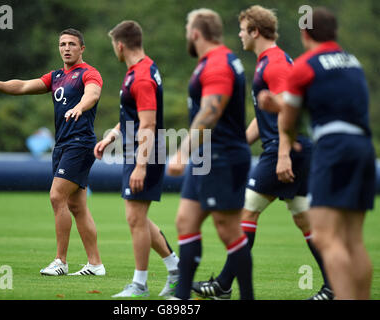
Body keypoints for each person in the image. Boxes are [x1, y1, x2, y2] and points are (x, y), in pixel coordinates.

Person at [192, 5, 332, 300]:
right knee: (304, 220)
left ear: (255, 31)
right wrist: (241, 144)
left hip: (284, 150)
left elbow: (287, 114)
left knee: (246, 212)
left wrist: (282, 154)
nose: (239, 35)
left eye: (243, 29)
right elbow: (265, 116)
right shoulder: (268, 61)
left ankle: (224, 285)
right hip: (294, 149)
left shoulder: (276, 64)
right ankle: (334, 287)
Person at [259, 7, 374, 300]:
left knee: (325, 236)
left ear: (305, 33)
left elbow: (288, 116)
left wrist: (275, 109)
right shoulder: (352, 61)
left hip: (333, 149)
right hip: (363, 149)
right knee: (353, 239)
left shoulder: (306, 64)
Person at [0, 28, 105, 277]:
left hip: (79, 143)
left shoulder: (89, 73)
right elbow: (22, 86)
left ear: (82, 48)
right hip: (63, 145)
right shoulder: (55, 77)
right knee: (77, 206)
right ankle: (95, 265)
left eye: (72, 44)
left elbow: (93, 94)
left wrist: (80, 106)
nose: (66, 48)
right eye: (62, 44)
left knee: (56, 197)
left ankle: (60, 262)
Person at [167, 8, 253, 300]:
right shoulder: (213, 61)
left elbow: (210, 111)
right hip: (208, 155)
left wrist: (182, 152)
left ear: (195, 34)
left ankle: (247, 297)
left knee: (228, 229)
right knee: (185, 221)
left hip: (222, 156)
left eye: (186, 32)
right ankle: (181, 298)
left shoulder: (217, 63)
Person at [94, 20, 179, 298]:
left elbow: (147, 124)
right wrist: (111, 137)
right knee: (138, 218)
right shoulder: (140, 70)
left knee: (134, 218)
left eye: (113, 46)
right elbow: (131, 118)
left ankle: (140, 285)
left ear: (120, 45)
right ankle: (178, 271)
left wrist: (141, 165)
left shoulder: (141, 76)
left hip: (145, 153)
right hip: (137, 151)